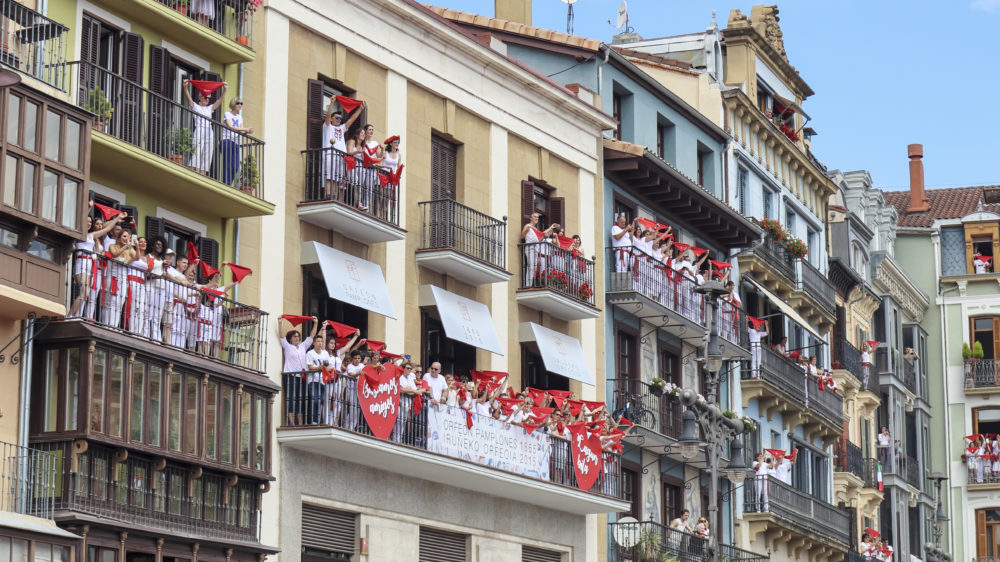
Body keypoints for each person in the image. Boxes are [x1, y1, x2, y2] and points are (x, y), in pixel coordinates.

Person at [71, 205, 123, 318]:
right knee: (84, 293)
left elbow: (107, 229)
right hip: (81, 263)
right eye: (87, 221)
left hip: (89, 265)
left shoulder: (91, 235)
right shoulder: (80, 233)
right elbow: (80, 219)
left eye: (90, 222)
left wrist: (117, 219)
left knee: (86, 293)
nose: (89, 223)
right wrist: (89, 208)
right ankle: (70, 315)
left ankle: (76, 315)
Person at [279, 316, 319, 426]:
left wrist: (315, 323)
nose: (297, 338)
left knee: (300, 399)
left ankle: (300, 422)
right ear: (290, 339)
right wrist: (280, 323)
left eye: (298, 336)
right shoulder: (287, 346)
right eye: (294, 336)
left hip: (301, 377)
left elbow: (311, 336)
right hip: (290, 375)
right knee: (291, 398)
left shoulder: (302, 346)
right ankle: (291, 422)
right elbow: (281, 336)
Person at [182, 79, 227, 175]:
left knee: (208, 152)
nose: (207, 99)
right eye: (205, 97)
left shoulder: (209, 108)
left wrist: (225, 90)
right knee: (196, 151)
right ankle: (192, 171)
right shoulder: (196, 106)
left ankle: (203, 174)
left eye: (208, 98)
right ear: (200, 98)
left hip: (208, 130)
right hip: (199, 129)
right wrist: (185, 87)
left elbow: (220, 101)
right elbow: (188, 97)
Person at [104, 229, 137, 328]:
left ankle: (114, 325)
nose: (126, 239)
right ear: (119, 237)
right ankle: (107, 324)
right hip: (112, 277)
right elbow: (115, 254)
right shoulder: (112, 246)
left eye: (128, 237)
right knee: (110, 301)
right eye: (124, 236)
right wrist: (126, 246)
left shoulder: (129, 249)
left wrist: (137, 246)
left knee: (119, 302)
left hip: (123, 279)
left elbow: (137, 257)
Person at [521, 213, 559, 287]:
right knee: (531, 267)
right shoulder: (528, 226)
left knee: (534, 268)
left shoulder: (536, 229)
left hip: (535, 249)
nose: (536, 218)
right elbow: (522, 236)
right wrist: (527, 232)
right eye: (535, 217)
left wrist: (551, 228)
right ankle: (527, 285)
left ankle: (530, 284)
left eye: (538, 217)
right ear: (531, 218)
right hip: (530, 248)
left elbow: (540, 237)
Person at [222, 98, 253, 186]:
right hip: (227, 141)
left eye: (241, 104)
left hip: (235, 143)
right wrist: (245, 129)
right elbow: (231, 126)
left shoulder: (239, 117)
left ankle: (228, 183)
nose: (240, 105)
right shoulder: (227, 114)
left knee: (235, 167)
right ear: (233, 104)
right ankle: (226, 184)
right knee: (227, 164)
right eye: (238, 103)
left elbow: (241, 130)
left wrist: (247, 131)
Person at [304, 330, 331, 426]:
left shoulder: (325, 354)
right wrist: (319, 368)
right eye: (318, 341)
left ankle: (315, 420)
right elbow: (309, 367)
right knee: (314, 400)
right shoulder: (310, 353)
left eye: (321, 341)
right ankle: (311, 420)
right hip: (312, 380)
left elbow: (329, 366)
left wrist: (326, 369)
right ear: (314, 343)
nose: (320, 343)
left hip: (322, 381)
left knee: (319, 401)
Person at [126, 236, 149, 337]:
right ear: (136, 243)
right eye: (140, 242)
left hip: (142, 283)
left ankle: (138, 332)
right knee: (133, 306)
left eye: (144, 242)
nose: (143, 243)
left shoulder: (146, 258)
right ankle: (132, 330)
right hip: (133, 280)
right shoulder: (132, 253)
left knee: (142, 307)